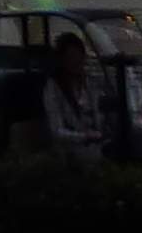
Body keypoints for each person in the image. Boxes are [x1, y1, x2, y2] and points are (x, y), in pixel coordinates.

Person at [43, 31, 108, 162]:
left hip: (98, 142)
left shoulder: (91, 84)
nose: (78, 62)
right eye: (72, 57)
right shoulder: (54, 89)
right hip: (73, 149)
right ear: (62, 60)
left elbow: (101, 111)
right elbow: (57, 130)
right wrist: (85, 137)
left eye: (80, 57)